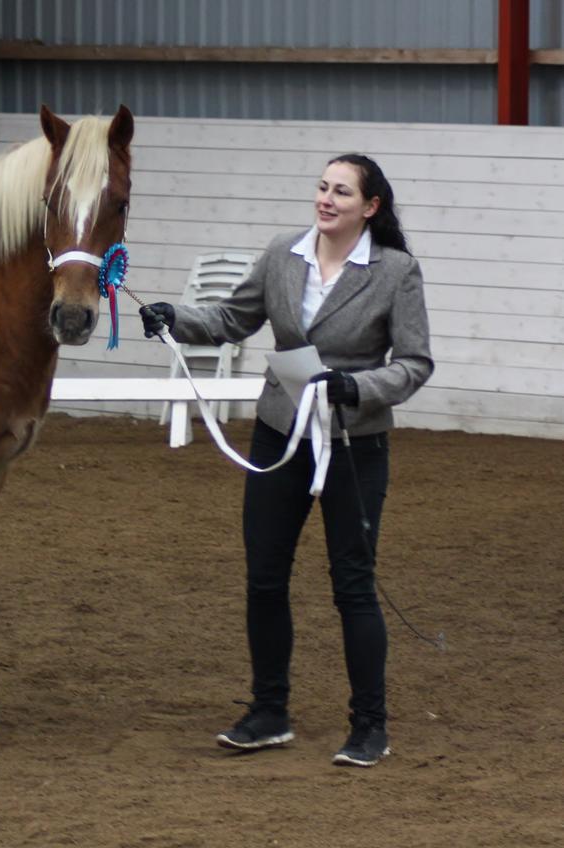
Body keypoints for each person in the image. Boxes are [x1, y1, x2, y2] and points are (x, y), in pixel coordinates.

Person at [140, 154, 433, 768]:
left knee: (353, 585)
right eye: (323, 187)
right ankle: (268, 712)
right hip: (281, 435)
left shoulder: (396, 272)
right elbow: (231, 319)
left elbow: (414, 363)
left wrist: (361, 387)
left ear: (370, 207)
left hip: (354, 444)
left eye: (342, 192)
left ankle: (369, 725)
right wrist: (175, 316)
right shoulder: (282, 253)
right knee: (265, 576)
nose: (326, 199)